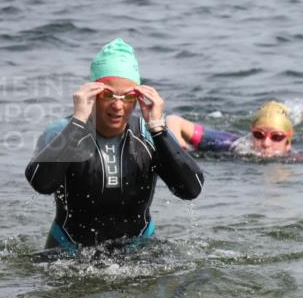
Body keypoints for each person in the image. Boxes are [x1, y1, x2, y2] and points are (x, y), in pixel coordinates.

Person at [25, 39, 204, 252]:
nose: (118, 105)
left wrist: (159, 129)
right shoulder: (62, 131)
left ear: (138, 98)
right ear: (92, 94)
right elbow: (41, 184)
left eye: (128, 97)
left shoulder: (150, 134)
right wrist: (78, 123)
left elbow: (191, 189)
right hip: (69, 251)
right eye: (108, 94)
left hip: (139, 249)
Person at [165, 101, 303, 157]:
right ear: (251, 132)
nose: (266, 143)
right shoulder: (231, 144)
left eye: (276, 137)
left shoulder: (299, 156)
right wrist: (178, 145)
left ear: (288, 142)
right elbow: (174, 120)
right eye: (259, 135)